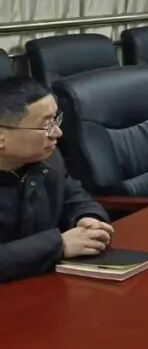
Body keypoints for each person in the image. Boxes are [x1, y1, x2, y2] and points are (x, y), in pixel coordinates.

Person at [0, 77, 114, 283]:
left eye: (55, 120)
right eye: (46, 125)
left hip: (45, 284)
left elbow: (76, 199)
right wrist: (58, 244)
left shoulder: (48, 158)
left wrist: (88, 220)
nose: (57, 133)